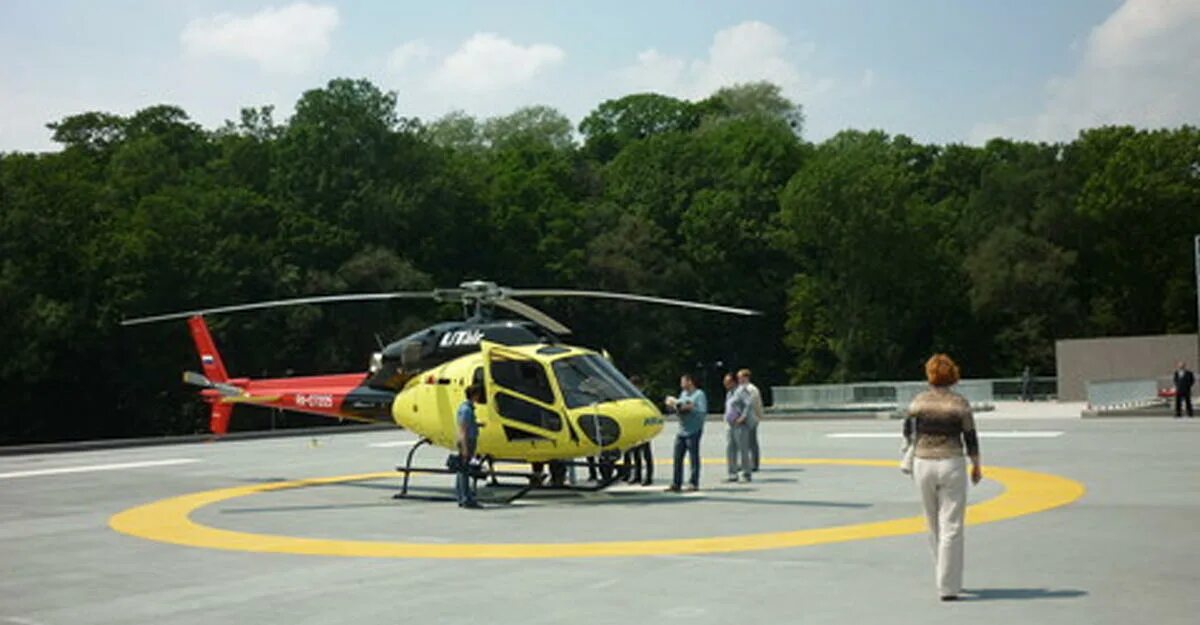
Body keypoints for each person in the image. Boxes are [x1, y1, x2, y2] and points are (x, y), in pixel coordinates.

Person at [903, 354, 983, 601]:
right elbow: (970, 437)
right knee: (952, 525)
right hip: (951, 462)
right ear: (953, 376)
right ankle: (948, 586)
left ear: (930, 375)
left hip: (923, 463)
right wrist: (976, 465)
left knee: (932, 522)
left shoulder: (918, 401)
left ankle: (941, 573)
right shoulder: (959, 403)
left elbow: (907, 431)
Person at [665, 373, 707, 492]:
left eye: (683, 381)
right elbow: (679, 408)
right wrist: (672, 405)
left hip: (694, 429)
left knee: (693, 457)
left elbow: (701, 410)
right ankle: (676, 483)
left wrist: (687, 407)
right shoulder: (683, 394)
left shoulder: (699, 395)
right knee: (677, 457)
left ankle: (693, 483)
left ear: (690, 382)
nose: (681, 384)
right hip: (682, 430)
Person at [455, 384, 484, 509]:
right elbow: (463, 430)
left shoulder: (467, 408)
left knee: (462, 470)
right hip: (467, 442)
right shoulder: (466, 410)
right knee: (465, 471)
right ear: (474, 395)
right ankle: (466, 498)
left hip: (467, 440)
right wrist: (465, 448)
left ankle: (462, 497)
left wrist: (477, 425)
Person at [623, 375, 654, 485]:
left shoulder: (644, 397)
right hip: (634, 428)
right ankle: (637, 475)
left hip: (644, 428)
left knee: (646, 454)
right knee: (635, 453)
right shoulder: (630, 397)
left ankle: (649, 477)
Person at [723, 373, 754, 482]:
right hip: (730, 424)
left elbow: (749, 404)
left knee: (743, 449)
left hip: (740, 424)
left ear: (733, 382)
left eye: (727, 382)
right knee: (730, 448)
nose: (725, 384)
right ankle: (732, 473)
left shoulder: (741, 391)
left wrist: (743, 417)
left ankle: (746, 473)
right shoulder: (729, 393)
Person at [737, 368, 765, 471]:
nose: (739, 379)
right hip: (741, 419)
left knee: (752, 442)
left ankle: (754, 463)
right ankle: (744, 462)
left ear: (746, 377)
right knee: (742, 442)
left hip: (751, 418)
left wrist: (758, 417)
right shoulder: (739, 389)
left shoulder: (752, 389)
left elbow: (756, 404)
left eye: (740, 377)